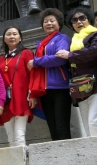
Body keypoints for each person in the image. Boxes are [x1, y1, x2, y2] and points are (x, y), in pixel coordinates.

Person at [56, 7, 97, 136]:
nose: (79, 22)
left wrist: (70, 55)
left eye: (82, 18)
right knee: (87, 127)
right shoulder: (73, 41)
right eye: (74, 20)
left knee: (95, 123)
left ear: (89, 20)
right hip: (81, 88)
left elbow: (93, 52)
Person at [27, 8, 71, 140]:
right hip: (44, 90)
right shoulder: (42, 44)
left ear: (59, 23)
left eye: (52, 21)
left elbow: (59, 58)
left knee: (61, 126)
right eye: (46, 22)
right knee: (52, 127)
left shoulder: (62, 38)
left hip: (60, 88)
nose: (49, 23)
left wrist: (37, 61)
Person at [0, 26, 35, 146]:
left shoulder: (26, 53)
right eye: (8, 34)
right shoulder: (1, 59)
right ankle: (16, 164)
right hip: (5, 99)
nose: (11, 36)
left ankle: (23, 163)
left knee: (19, 135)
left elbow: (32, 74)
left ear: (20, 38)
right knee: (11, 138)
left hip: (21, 97)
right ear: (4, 39)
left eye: (14, 34)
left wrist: (33, 94)